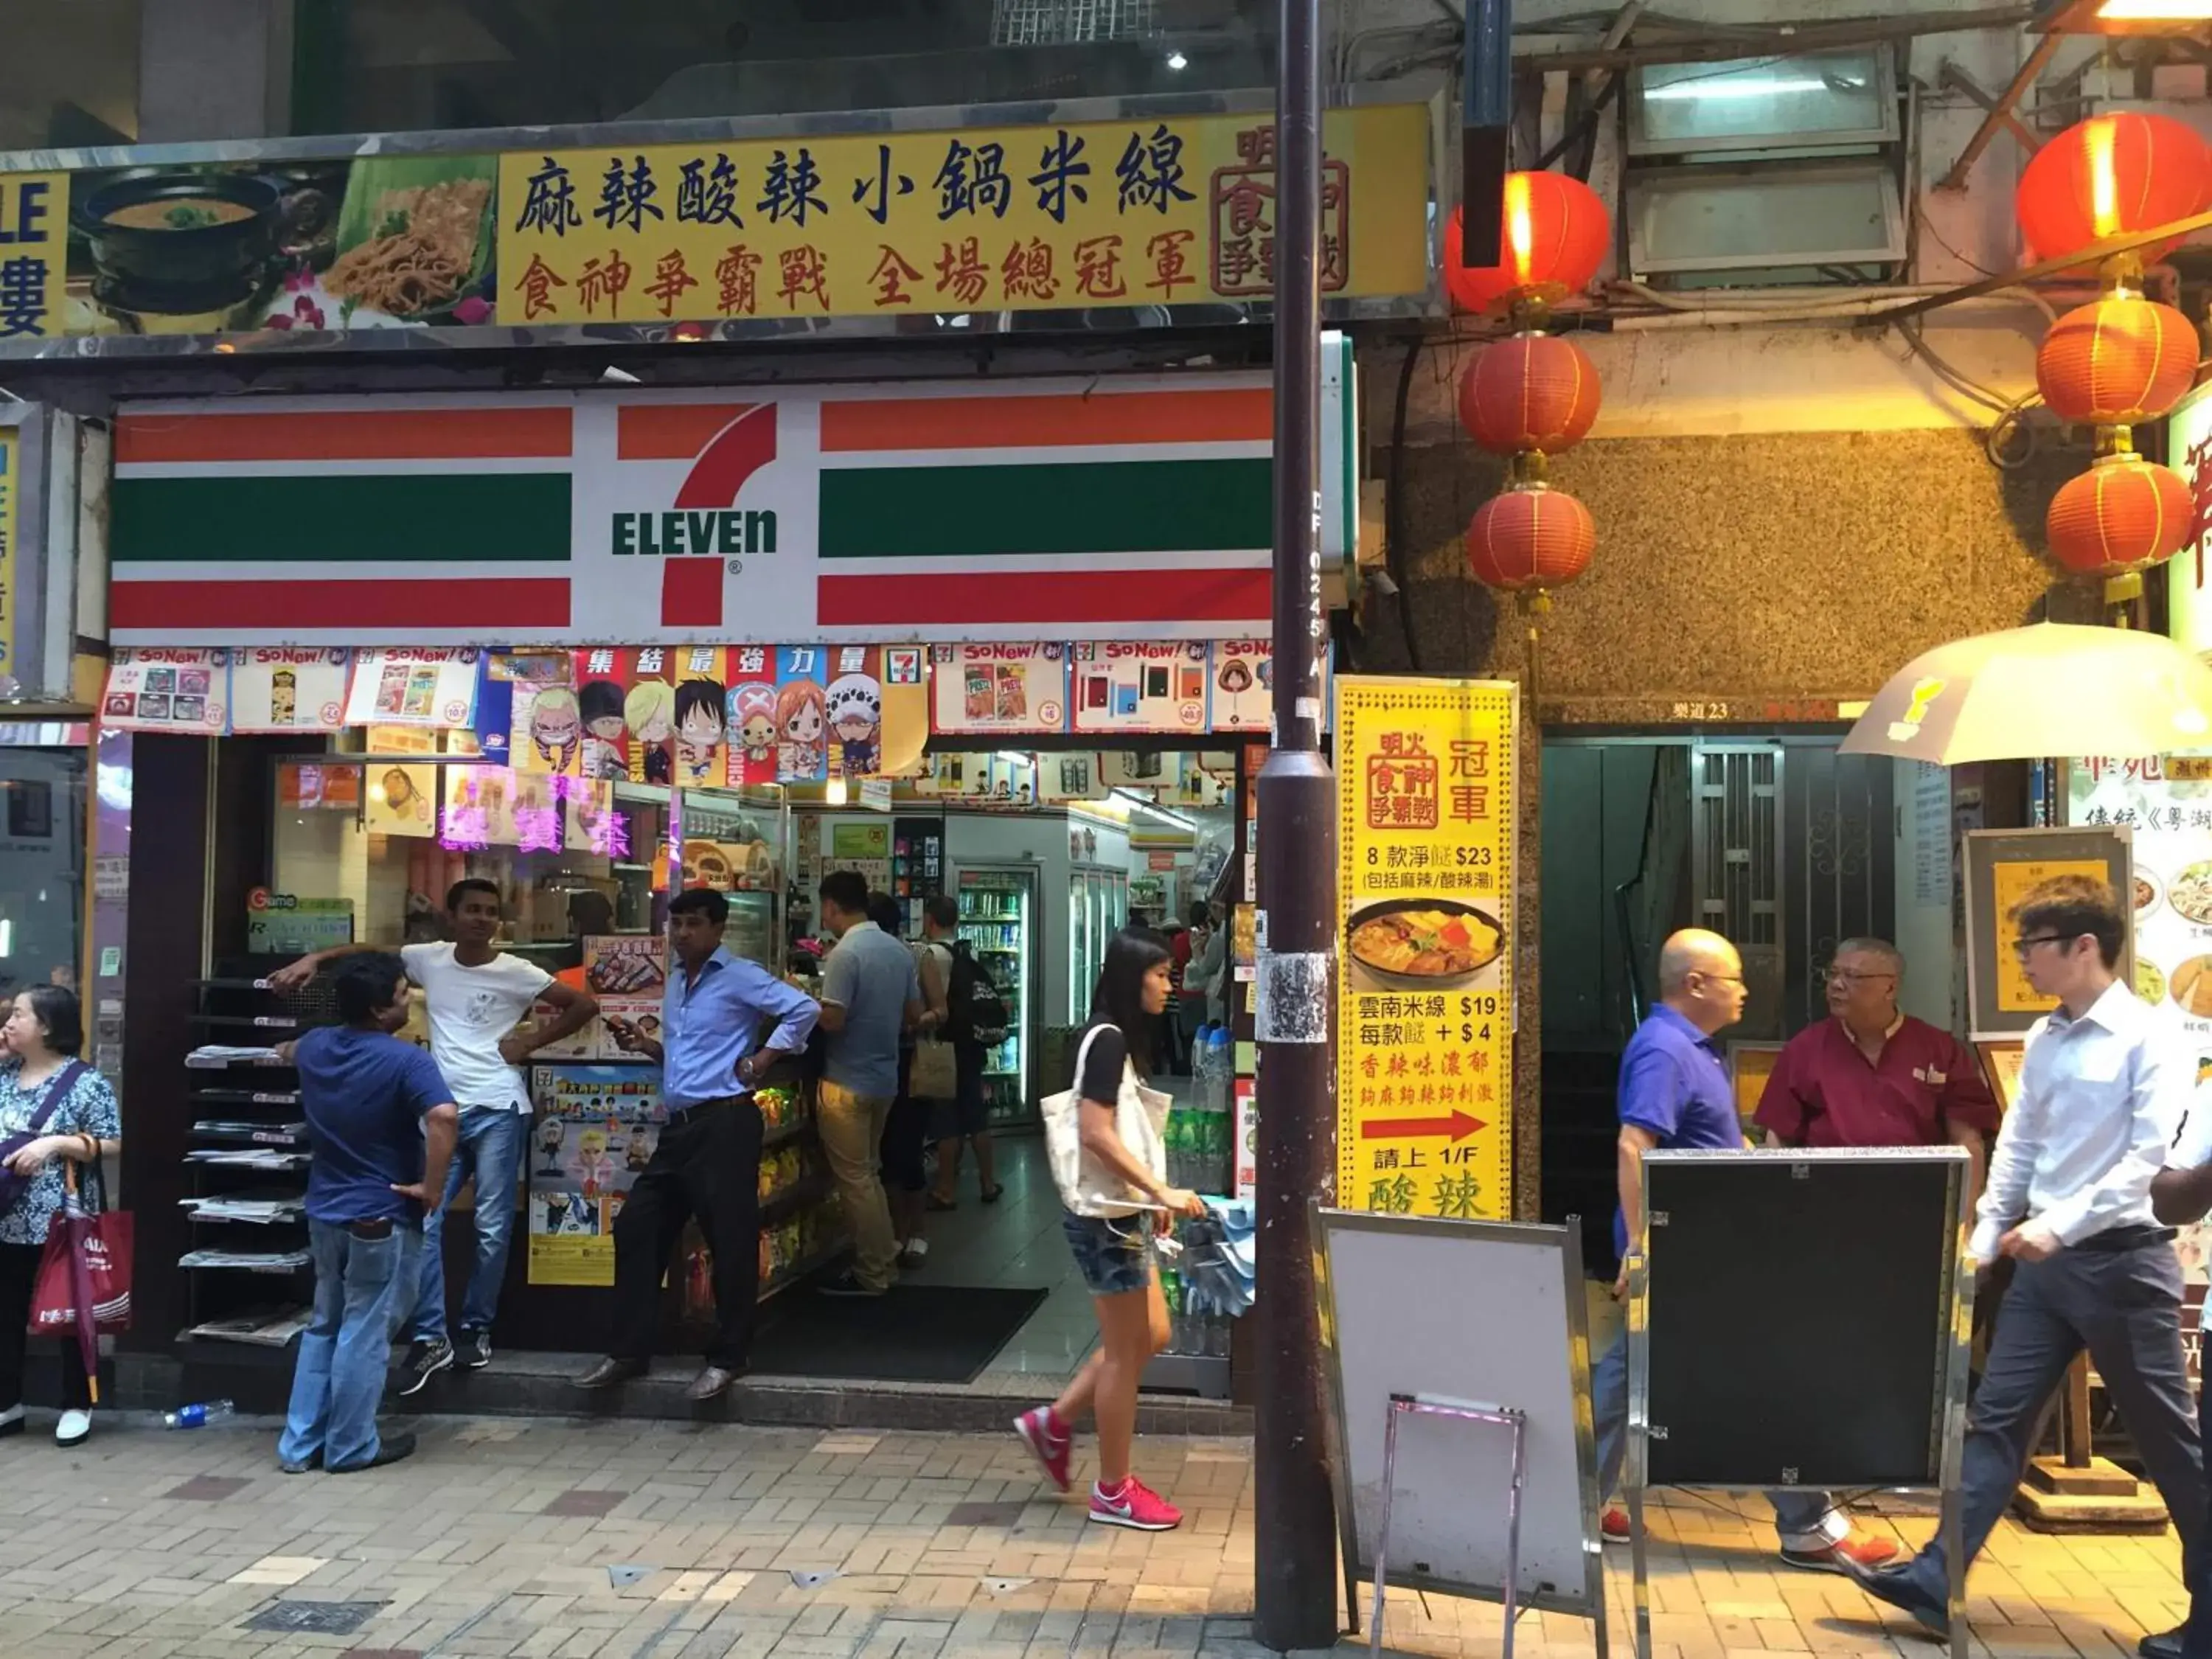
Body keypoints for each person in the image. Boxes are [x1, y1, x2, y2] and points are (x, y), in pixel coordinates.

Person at [1848, 877, 2204, 1639]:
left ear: (2085, 948)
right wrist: (1981, 1239)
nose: (2023, 964)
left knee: (2172, 1447)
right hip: (2045, 1269)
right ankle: (1937, 1579)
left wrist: (2062, 1226)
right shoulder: (2044, 1038)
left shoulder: (2154, 1037)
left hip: (2123, 1264)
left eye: (2032, 948)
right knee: (1995, 1423)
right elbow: (2019, 1148)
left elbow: (2146, 1160)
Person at [1593, 929, 1897, 1572]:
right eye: (1734, 979)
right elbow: (1633, 1144)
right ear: (1696, 984)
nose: (1744, 990)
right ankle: (1808, 1523)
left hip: (1704, 1248)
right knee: (1760, 1374)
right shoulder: (1665, 1050)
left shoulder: (1689, 1047)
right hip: (1689, 1253)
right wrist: (1643, 1244)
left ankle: (1572, 1505)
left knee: (1631, 1377)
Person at [271, 878, 599, 1393]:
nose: (481, 919)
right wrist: (317, 958)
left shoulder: (518, 971)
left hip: (499, 1109)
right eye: (471, 909)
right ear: (451, 915)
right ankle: (430, 1336)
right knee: (425, 1220)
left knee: (492, 1227)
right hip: (442, 1108)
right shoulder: (429, 958)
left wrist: (529, 1042)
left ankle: (475, 1326)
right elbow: (370, 954)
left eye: (490, 911)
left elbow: (583, 1005)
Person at [577, 888, 818, 1400]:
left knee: (728, 1241)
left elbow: (803, 1009)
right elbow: (688, 1057)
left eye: (693, 924)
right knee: (638, 1227)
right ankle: (628, 1350)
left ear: (717, 929)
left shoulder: (739, 976)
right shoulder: (676, 983)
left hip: (726, 1122)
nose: (682, 933)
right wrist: (648, 1048)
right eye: (676, 923)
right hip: (680, 1126)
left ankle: (730, 1356)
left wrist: (763, 1060)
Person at [1014, 928, 1203, 1531]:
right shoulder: (1108, 1039)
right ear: (1132, 977)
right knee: (1127, 1353)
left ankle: (1056, 1422)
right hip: (1106, 1221)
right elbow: (1096, 1133)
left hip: (1121, 1215)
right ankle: (1113, 1490)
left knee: (1151, 1332)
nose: (1169, 987)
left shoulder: (1110, 1038)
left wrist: (1150, 1200)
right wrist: (1160, 1190)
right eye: (1160, 976)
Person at [274, 956, 459, 1474]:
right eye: (404, 994)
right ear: (381, 1010)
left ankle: (298, 1445)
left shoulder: (314, 1048)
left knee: (324, 1324)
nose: (409, 1001)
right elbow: (444, 1116)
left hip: (326, 1209)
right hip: (381, 1212)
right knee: (365, 1328)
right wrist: (433, 1186)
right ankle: (352, 1446)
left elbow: (284, 1049)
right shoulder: (407, 1062)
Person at [1756, 937, 1998, 1206]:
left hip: (1918, 1199)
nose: (1836, 985)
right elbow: (1778, 1138)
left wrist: (1965, 1222)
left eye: (1853, 976)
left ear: (1890, 987)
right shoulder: (1805, 1048)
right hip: (1827, 1200)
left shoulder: (1940, 1048)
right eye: (1833, 974)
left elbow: (1967, 1142)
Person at [0, 987, 119, 1448]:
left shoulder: (86, 1082)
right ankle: (8, 1401)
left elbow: (111, 1142)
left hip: (62, 1221)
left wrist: (56, 1144)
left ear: (47, 1026)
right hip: (6, 1219)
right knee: (5, 1314)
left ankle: (76, 1404)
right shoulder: (6, 1074)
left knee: (71, 1315)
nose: (9, 1022)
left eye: (19, 1016)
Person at [812, 870, 921, 1298]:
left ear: (832, 906)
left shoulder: (845, 954)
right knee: (869, 1174)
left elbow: (833, 1019)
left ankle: (872, 1272)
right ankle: (883, 1263)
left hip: (846, 1080)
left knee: (855, 1181)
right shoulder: (899, 951)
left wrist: (797, 1000)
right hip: (884, 1079)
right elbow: (914, 1014)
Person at [872, 891, 937, 1270]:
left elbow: (940, 1009)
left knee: (907, 1148)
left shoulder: (916, 956)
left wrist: (913, 1021)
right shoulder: (853, 954)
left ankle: (916, 1231)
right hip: (878, 1064)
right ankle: (894, 1232)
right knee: (883, 1154)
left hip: (910, 1061)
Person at [929, 896, 1003, 1211]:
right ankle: (988, 1182)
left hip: (945, 1045)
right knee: (976, 1118)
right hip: (972, 1045)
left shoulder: (931, 954)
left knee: (947, 1121)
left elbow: (934, 1005)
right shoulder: (966, 952)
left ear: (930, 919)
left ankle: (946, 1189)